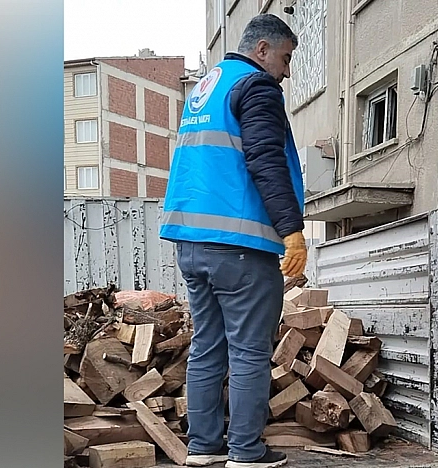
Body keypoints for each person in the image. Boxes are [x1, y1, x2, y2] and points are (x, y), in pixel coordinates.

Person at [159, 13, 307, 468]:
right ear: (261, 50)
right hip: (240, 244)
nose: (286, 71)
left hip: (193, 242)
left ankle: (202, 447)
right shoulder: (257, 87)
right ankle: (246, 451)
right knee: (248, 349)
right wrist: (292, 231)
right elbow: (265, 159)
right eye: (284, 59)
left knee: (207, 345)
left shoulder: (208, 88)